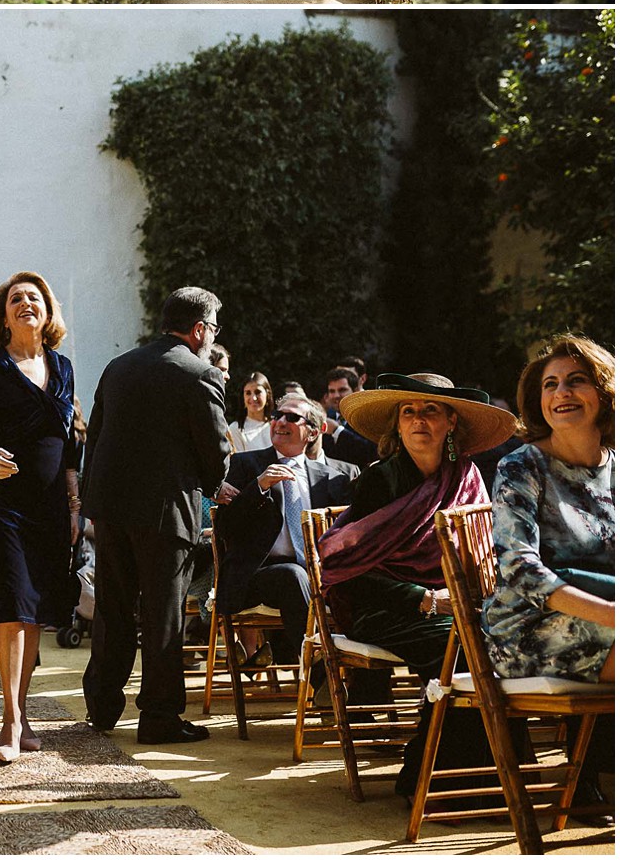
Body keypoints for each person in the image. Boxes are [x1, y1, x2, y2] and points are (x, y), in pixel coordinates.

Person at [318, 372, 516, 800]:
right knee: (461, 648)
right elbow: (344, 564)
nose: (418, 419)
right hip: (380, 607)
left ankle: (483, 779)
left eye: (431, 411)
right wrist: (423, 598)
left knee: (495, 641)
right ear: (398, 424)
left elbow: (483, 554)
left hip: (458, 607)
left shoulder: (468, 479)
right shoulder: (379, 480)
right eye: (409, 411)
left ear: (451, 423)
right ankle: (422, 774)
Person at [80, 286, 232, 745]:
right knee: (162, 615)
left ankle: (102, 707)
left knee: (112, 608)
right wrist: (209, 486)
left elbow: (97, 436)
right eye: (213, 329)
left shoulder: (118, 367)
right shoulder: (200, 373)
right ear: (201, 329)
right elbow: (217, 453)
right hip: (167, 514)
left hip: (111, 508)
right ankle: (159, 716)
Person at [484, 335, 615, 818]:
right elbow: (518, 567)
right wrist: (611, 613)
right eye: (551, 384)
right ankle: (598, 776)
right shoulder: (521, 466)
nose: (562, 392)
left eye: (576, 381)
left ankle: (597, 775)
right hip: (525, 630)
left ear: (603, 392)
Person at [0, 272, 76, 763]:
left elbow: (71, 442)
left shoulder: (64, 366)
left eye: (35, 297)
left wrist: (74, 503)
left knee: (35, 611)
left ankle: (22, 712)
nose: (26, 303)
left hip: (49, 505)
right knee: (11, 604)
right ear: (2, 316)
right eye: (15, 299)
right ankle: (8, 721)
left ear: (47, 312)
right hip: (1, 502)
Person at [216, 394, 358, 668]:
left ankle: (367, 685)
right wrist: (258, 487)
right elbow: (225, 527)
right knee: (294, 576)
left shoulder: (330, 477)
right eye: (277, 415)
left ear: (313, 432)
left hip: (320, 576)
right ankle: (322, 678)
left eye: (291, 417)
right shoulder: (246, 465)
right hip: (257, 576)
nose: (280, 421)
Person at [322, 365, 378, 468]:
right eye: (332, 391)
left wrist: (338, 431)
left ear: (355, 391)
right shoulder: (325, 418)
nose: (336, 395)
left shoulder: (369, 418)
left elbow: (372, 453)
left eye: (342, 390)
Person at [228, 370, 274, 453]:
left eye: (258, 392)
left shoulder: (277, 425)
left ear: (268, 395)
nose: (253, 398)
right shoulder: (235, 429)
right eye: (248, 393)